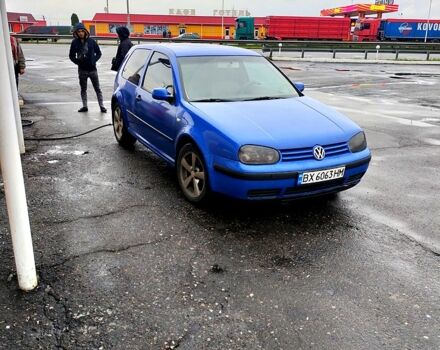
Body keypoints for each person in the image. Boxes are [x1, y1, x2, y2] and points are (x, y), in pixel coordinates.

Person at [69, 23, 106, 113]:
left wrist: (94, 60)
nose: (81, 33)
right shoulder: (74, 43)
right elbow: (71, 56)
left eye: (82, 31)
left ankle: (102, 106)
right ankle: (85, 106)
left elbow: (99, 53)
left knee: (97, 89)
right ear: (76, 33)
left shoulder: (91, 41)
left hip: (93, 70)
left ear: (85, 31)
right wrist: (78, 62)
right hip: (82, 70)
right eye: (79, 32)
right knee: (83, 89)